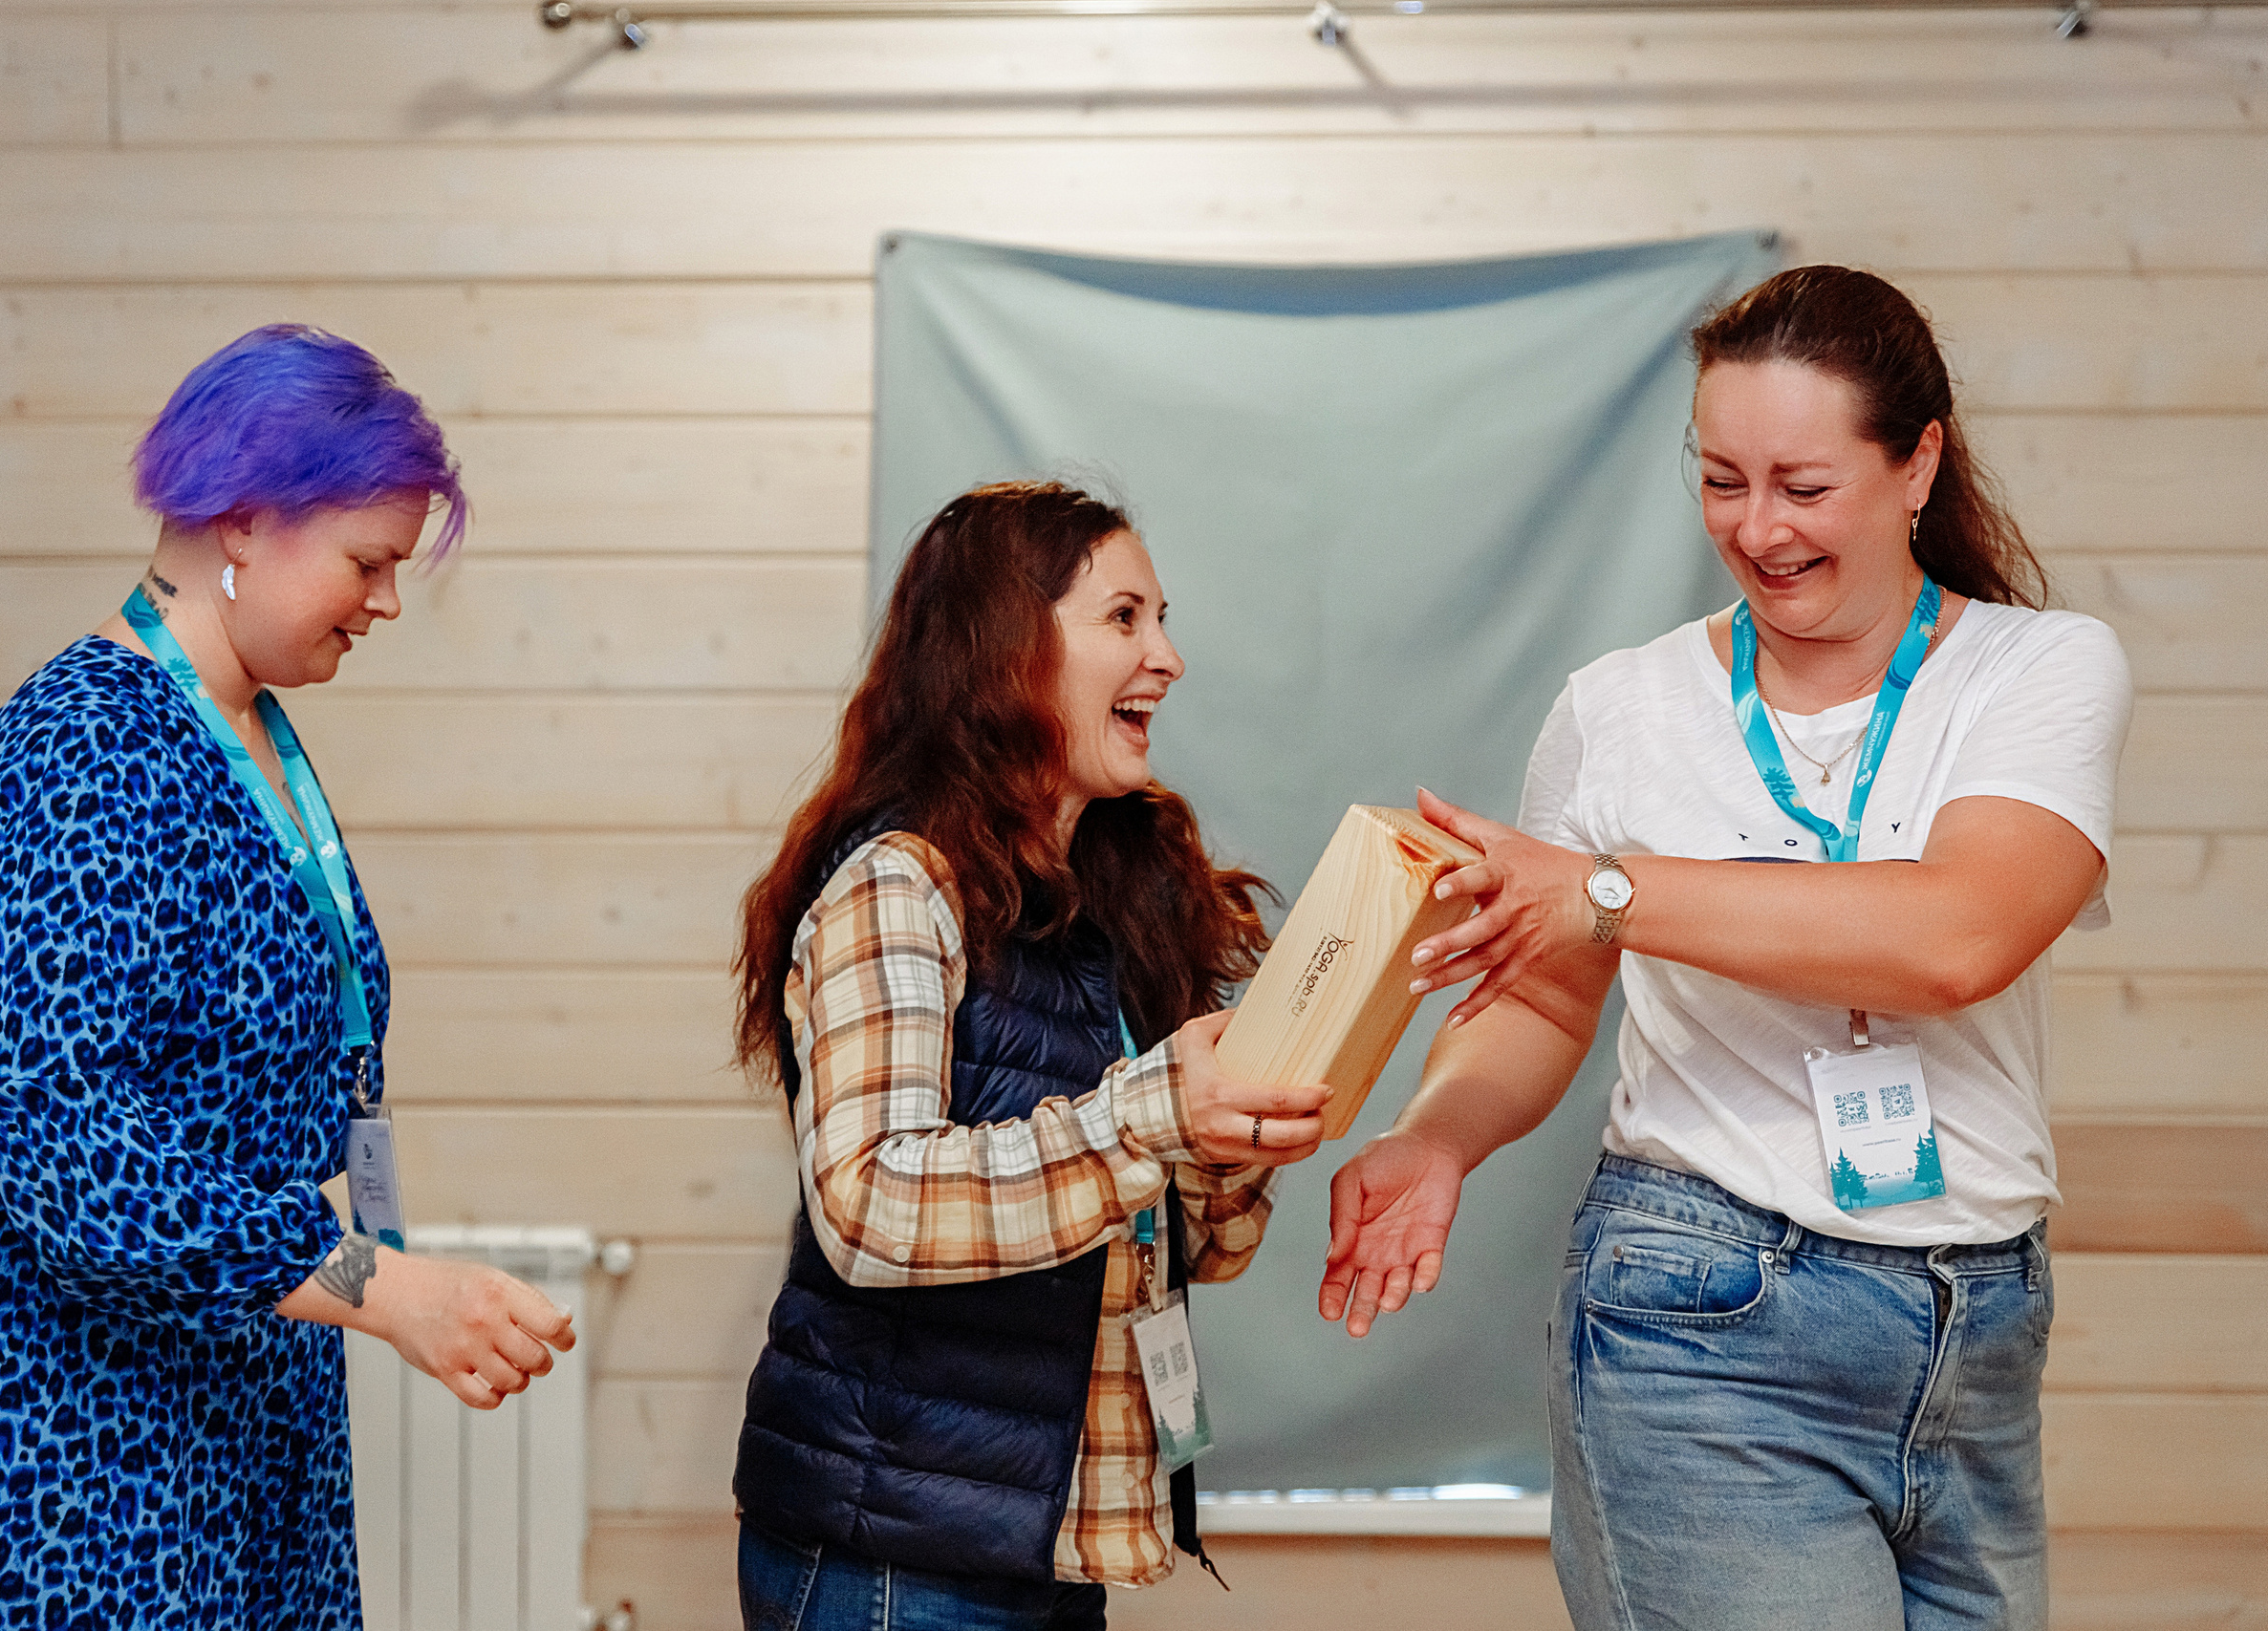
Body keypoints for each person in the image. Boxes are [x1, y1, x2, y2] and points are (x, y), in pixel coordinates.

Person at [1322, 267, 2130, 1630]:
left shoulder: (2037, 669)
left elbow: (1957, 935)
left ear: (1918, 460)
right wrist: (1438, 1133)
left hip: (1978, 1324)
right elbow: (1541, 998)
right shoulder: (1620, 706)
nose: (1758, 528)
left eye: (1804, 486)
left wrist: (1608, 886)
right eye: (1722, 480)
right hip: (1703, 1313)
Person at [0, 326, 576, 1628]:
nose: (385, 602)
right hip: (29, 1397)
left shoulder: (240, 730)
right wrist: (386, 1287)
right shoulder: (82, 755)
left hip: (197, 1361)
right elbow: (73, 1147)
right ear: (241, 519)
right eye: (367, 561)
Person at [729, 482, 1329, 1631]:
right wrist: (1154, 1116)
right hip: (893, 1558)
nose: (1168, 658)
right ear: (1004, 647)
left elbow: (1188, 1246)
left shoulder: (1109, 901)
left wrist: (1237, 1138)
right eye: (1124, 619)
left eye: (1161, 620)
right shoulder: (897, 886)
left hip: (1047, 1544)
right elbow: (866, 1204)